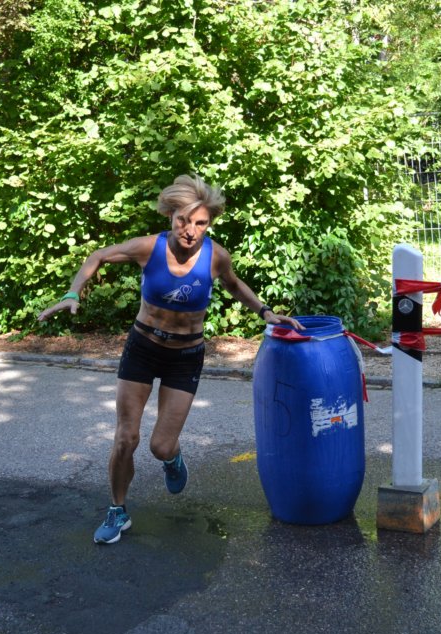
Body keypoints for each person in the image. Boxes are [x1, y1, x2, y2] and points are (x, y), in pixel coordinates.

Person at [39, 175, 302, 544]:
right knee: (125, 438)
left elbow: (233, 283)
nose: (190, 231)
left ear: (209, 223)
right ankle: (117, 509)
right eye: (183, 220)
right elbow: (98, 255)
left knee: (160, 445)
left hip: (185, 357)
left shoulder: (216, 256)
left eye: (200, 223)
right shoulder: (149, 247)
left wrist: (265, 311)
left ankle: (172, 459)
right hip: (142, 349)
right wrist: (73, 292)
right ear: (170, 216)